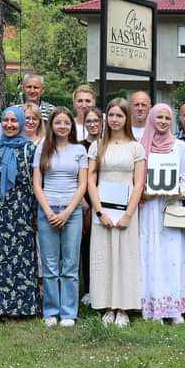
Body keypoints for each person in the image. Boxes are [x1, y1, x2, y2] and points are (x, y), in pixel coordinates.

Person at [87, 98, 146, 327]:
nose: (114, 120)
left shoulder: (136, 147)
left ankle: (123, 307)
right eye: (111, 115)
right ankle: (107, 306)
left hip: (126, 211)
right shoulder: (97, 146)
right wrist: (99, 211)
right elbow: (91, 178)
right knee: (104, 257)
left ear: (126, 118)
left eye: (119, 115)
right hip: (103, 210)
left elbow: (139, 182)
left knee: (125, 258)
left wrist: (128, 214)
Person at [0, 105, 40, 319]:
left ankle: (23, 307)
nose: (9, 124)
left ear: (21, 123)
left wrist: (34, 212)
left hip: (22, 210)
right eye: (5, 120)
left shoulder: (30, 149)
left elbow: (35, 184)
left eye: (14, 121)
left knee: (22, 255)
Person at [33, 108, 89, 327]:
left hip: (72, 212)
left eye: (67, 123)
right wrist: (48, 211)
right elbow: (37, 184)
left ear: (71, 126)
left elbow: (82, 184)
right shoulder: (42, 149)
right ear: (52, 125)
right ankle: (50, 311)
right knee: (49, 265)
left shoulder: (79, 150)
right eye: (58, 123)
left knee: (70, 264)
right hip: (47, 210)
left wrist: (66, 212)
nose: (63, 126)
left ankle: (68, 312)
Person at [138, 103, 185, 324]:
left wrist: (179, 191)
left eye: (167, 118)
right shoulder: (142, 146)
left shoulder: (178, 146)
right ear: (151, 119)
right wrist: (145, 192)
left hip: (171, 206)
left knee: (172, 255)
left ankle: (175, 307)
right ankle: (153, 307)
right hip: (150, 207)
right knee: (151, 254)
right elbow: (138, 176)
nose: (162, 121)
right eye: (158, 117)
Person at [79, 107, 103, 305]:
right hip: (85, 202)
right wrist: (84, 203)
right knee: (87, 246)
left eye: (96, 120)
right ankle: (88, 288)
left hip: (107, 200)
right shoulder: (80, 146)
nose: (93, 124)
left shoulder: (109, 144)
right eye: (89, 121)